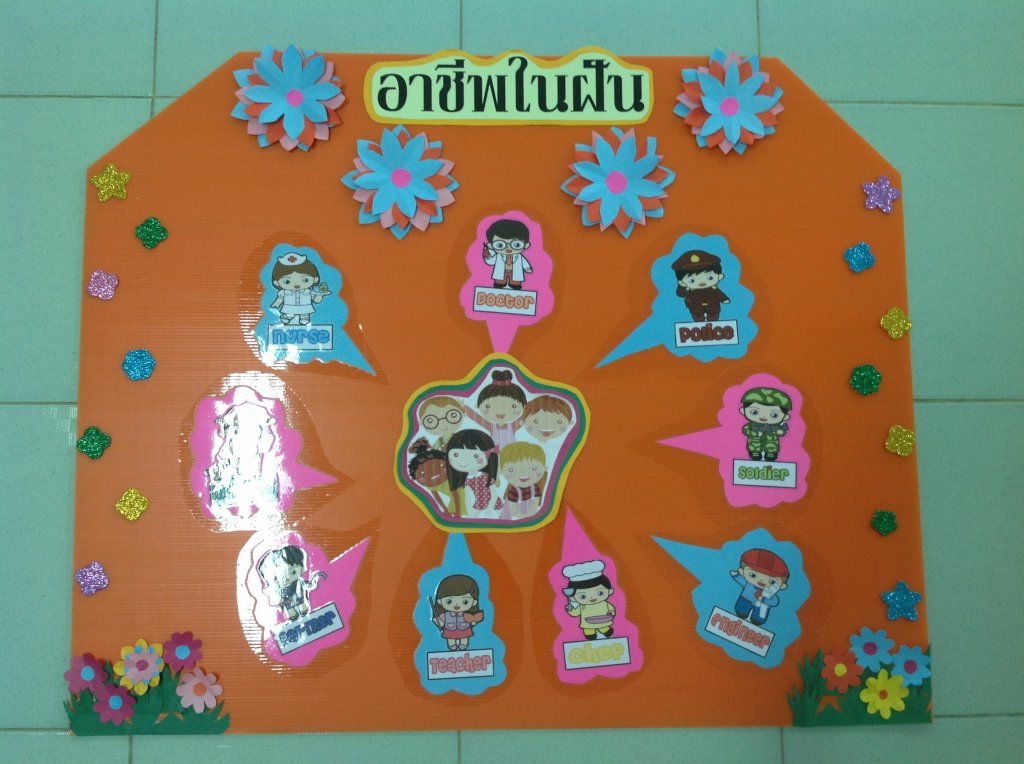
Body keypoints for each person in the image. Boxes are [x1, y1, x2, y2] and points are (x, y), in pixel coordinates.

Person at [257, 545, 326, 622]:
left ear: (302, 567)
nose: (286, 579)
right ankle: (292, 613)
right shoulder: (279, 590)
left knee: (302, 605)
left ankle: (302, 608)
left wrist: (314, 581)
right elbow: (278, 598)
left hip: (301, 599)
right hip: (288, 603)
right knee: (290, 609)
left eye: (293, 572)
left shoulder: (299, 582)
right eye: (276, 577)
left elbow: (308, 585)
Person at [463, 369, 527, 450]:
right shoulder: (492, 427)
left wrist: (532, 406)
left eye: (513, 406)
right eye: (488, 406)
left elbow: (527, 416)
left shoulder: (513, 426)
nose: (501, 411)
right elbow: (476, 417)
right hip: (494, 453)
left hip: (510, 453)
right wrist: (464, 408)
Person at [446, 429, 502, 517]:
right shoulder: (467, 480)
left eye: (475, 456)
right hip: (479, 504)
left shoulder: (486, 477)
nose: (464, 462)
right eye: (456, 455)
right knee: (471, 519)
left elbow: (494, 495)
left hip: (494, 503)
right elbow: (467, 496)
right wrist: (469, 510)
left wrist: (489, 508)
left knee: (503, 518)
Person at [730, 548, 789, 626]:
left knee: (758, 618)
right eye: (753, 575)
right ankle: (741, 612)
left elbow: (775, 601)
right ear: (742, 571)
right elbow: (743, 582)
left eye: (772, 581)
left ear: (782, 586)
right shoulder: (749, 585)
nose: (761, 581)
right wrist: (736, 575)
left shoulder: (770, 592)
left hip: (762, 606)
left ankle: (757, 619)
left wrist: (764, 600)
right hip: (745, 599)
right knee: (741, 609)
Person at [562, 560, 616, 640]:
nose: (592, 598)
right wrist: (569, 609)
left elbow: (611, 609)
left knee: (603, 628)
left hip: (603, 621)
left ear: (610, 591)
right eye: (582, 596)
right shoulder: (582, 606)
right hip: (587, 624)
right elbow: (575, 613)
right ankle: (591, 635)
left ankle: (606, 631)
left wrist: (611, 613)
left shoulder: (605, 604)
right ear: (573, 597)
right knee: (588, 631)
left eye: (600, 593)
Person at [672, 249, 730, 322]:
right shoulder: (690, 291)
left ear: (720, 276)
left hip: (712, 305)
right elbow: (680, 294)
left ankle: (713, 315)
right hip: (696, 307)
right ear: (682, 282)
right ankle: (698, 315)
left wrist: (724, 299)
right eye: (692, 280)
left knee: (713, 311)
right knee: (696, 311)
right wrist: (682, 286)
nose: (702, 283)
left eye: (710, 277)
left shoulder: (713, 289)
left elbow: (719, 294)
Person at [431, 574, 484, 651]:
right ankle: (452, 646)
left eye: (465, 601)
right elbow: (441, 623)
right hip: (450, 631)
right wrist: (437, 621)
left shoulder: (467, 615)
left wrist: (473, 622)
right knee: (451, 641)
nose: (457, 605)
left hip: (464, 630)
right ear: (440, 601)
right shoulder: (445, 615)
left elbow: (472, 621)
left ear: (474, 602)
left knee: (464, 639)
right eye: (449, 601)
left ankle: (463, 645)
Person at [739, 387, 792, 461]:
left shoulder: (775, 426)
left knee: (772, 445)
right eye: (754, 412)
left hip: (771, 441)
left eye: (774, 415)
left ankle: (771, 453)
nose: (764, 417)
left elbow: (782, 430)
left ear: (785, 417)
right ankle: (755, 452)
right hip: (755, 442)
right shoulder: (752, 425)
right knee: (754, 445)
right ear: (743, 411)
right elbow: (745, 430)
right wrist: (755, 434)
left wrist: (780, 432)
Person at [499, 442, 546, 519]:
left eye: (534, 468)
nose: (523, 473)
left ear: (544, 468)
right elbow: (513, 510)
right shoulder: (513, 491)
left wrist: (531, 516)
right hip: (512, 517)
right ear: (502, 471)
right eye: (511, 470)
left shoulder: (535, 488)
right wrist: (524, 518)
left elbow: (534, 506)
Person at [482, 218, 533, 289]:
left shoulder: (519, 257)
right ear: (491, 245)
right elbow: (491, 262)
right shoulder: (498, 256)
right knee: (499, 282)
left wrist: (527, 268)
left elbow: (524, 262)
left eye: (516, 244)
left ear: (526, 245)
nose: (508, 248)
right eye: (500, 245)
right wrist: (487, 256)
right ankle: (499, 285)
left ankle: (515, 286)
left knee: (515, 283)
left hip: (515, 272)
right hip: (501, 272)